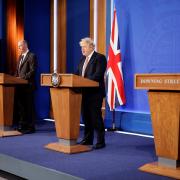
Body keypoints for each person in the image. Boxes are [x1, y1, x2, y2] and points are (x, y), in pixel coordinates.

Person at [75, 37, 107, 149]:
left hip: (95, 93)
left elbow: (98, 75)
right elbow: (77, 75)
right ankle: (88, 139)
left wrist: (84, 82)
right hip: (83, 93)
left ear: (91, 46)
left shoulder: (100, 58)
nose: (82, 49)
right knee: (86, 118)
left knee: (95, 117)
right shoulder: (82, 60)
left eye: (84, 47)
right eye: (81, 47)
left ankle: (100, 141)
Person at [13, 40, 37, 134]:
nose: (19, 48)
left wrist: (21, 78)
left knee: (29, 107)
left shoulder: (32, 56)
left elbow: (32, 71)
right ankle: (22, 125)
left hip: (28, 86)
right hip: (20, 86)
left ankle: (31, 127)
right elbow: (17, 71)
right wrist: (14, 78)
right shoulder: (20, 57)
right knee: (21, 107)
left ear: (25, 45)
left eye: (20, 46)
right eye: (18, 47)